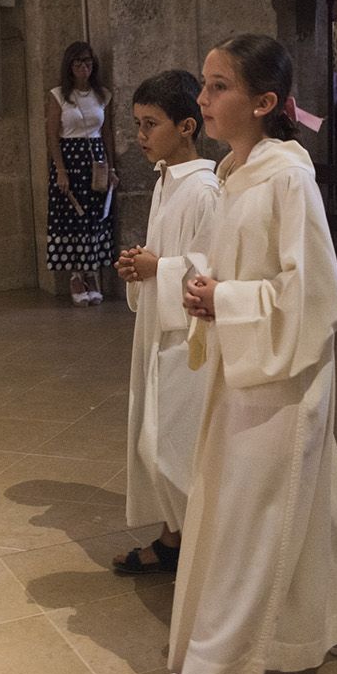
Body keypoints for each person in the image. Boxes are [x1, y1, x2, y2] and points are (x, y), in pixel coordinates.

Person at [128, 35, 337, 674]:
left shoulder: (287, 177)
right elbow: (232, 264)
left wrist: (229, 300)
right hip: (243, 366)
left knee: (247, 520)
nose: (204, 98)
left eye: (218, 87)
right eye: (207, 85)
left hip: (282, 373)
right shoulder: (237, 169)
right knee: (307, 499)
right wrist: (197, 285)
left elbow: (315, 297)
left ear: (265, 103)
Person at [111, 70, 220, 576]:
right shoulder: (165, 182)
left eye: (150, 124)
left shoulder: (205, 189)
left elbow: (216, 267)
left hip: (189, 338)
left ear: (187, 127)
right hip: (159, 326)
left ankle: (199, 545)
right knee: (153, 437)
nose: (140, 135)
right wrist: (144, 265)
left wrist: (162, 269)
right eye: (136, 123)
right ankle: (173, 538)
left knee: (175, 443)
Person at [44, 40, 117, 305]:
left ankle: (92, 273)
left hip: (95, 159)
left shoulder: (102, 95)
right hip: (69, 159)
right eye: (78, 63)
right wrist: (60, 170)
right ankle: (76, 275)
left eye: (87, 62)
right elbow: (52, 135)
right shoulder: (59, 96)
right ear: (69, 66)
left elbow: (106, 132)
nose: (83, 67)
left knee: (95, 218)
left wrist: (111, 166)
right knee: (73, 218)